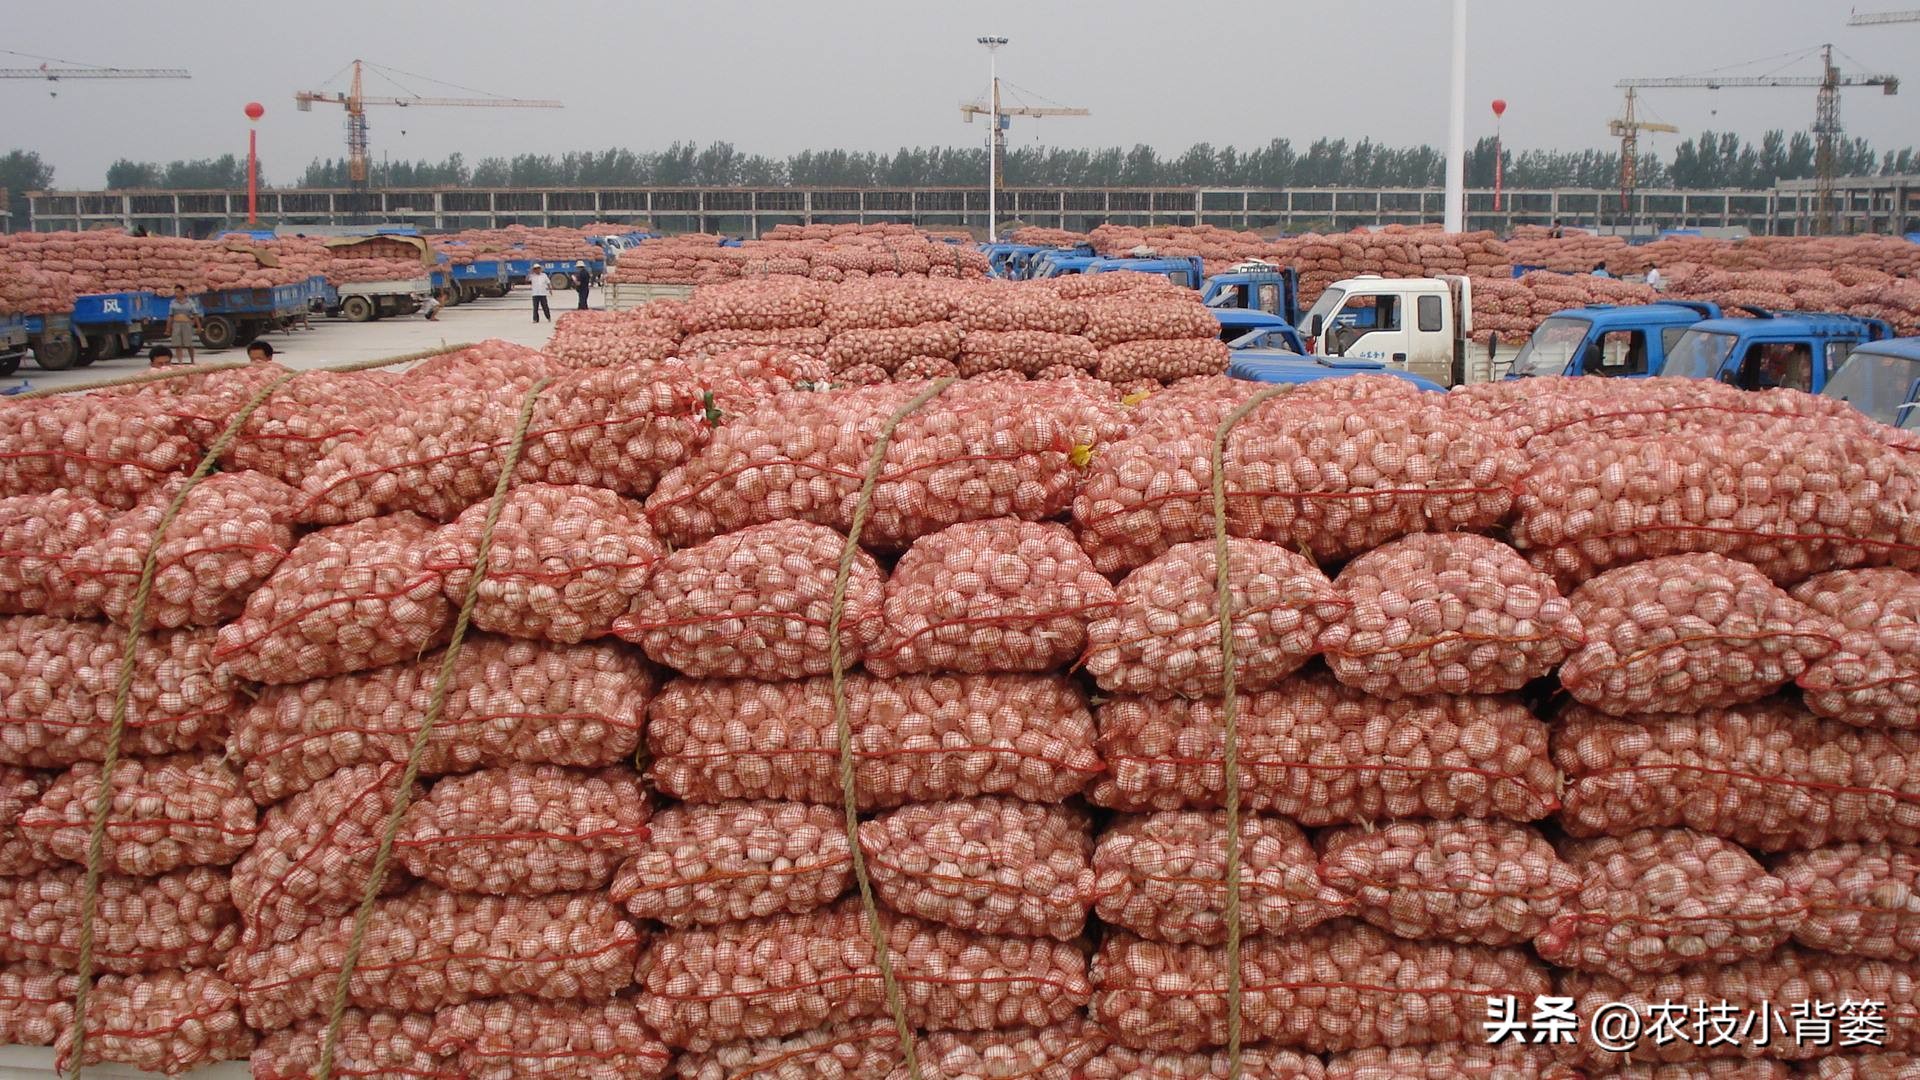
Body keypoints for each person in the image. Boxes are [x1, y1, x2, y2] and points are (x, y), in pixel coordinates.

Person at [165, 285, 200, 364]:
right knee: (177, 344)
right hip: (176, 324)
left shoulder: (190, 302)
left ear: (183, 292)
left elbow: (195, 314)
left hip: (187, 324)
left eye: (178, 292)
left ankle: (192, 360)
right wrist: (168, 328)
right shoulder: (173, 302)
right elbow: (170, 315)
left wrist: (198, 326)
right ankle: (180, 362)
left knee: (189, 344)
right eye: (175, 292)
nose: (176, 294)